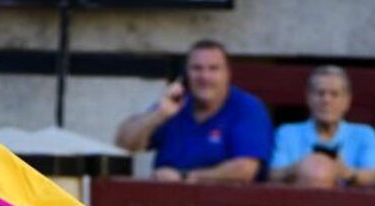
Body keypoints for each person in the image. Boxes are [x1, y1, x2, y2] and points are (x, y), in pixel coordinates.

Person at [115, 39, 273, 183]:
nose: (205, 76)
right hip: (166, 204)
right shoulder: (175, 103)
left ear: (227, 74)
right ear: (185, 74)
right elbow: (124, 144)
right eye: (197, 68)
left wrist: (185, 176)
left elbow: (245, 169)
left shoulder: (246, 108)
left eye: (213, 69)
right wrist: (158, 115)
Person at [270, 65, 375, 188]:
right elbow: (272, 174)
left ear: (347, 101)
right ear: (308, 98)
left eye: (334, 94)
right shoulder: (287, 133)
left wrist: (347, 173)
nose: (326, 100)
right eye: (320, 93)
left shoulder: (364, 134)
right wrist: (302, 168)